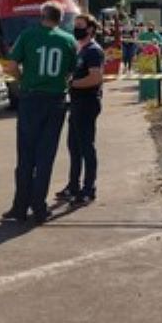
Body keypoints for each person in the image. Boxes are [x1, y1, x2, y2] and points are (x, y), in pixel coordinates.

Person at [1, 1, 77, 224]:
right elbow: (71, 70)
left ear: (42, 16)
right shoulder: (68, 40)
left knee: (26, 155)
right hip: (55, 100)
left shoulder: (28, 35)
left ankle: (20, 206)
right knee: (46, 156)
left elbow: (12, 65)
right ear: (60, 18)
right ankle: (39, 206)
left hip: (31, 99)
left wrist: (24, 81)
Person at [55, 14, 105, 206]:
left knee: (86, 147)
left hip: (87, 103)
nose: (76, 29)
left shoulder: (93, 51)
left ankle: (89, 188)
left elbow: (95, 78)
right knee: (74, 147)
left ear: (91, 29)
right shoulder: (80, 50)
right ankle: (73, 186)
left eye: (80, 26)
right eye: (75, 26)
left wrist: (72, 84)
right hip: (76, 103)